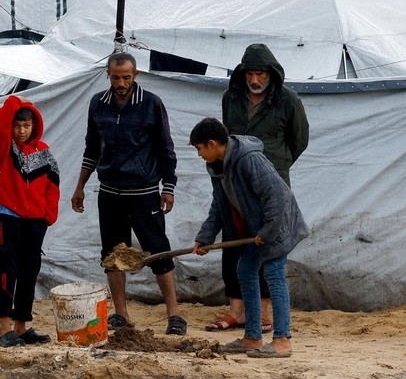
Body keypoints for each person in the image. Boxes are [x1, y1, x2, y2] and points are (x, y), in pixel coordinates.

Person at [71, 51, 186, 336]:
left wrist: (168, 188)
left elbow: (166, 149)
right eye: (115, 77)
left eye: (126, 77)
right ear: (107, 75)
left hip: (145, 191)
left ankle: (174, 315)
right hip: (109, 191)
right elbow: (92, 149)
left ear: (136, 75)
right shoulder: (98, 104)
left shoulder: (151, 104)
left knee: (159, 250)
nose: (121, 83)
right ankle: (120, 314)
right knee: (112, 254)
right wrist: (80, 186)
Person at [205, 43, 309, 333]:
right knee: (233, 243)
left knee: (265, 244)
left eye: (261, 73)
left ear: (271, 73)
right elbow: (227, 140)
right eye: (250, 73)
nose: (255, 79)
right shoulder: (231, 98)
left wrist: (275, 165)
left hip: (270, 183)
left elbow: (299, 140)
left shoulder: (288, 100)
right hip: (236, 184)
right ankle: (236, 311)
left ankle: (261, 313)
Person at [190, 117, 308, 358]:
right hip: (256, 229)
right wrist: (206, 237)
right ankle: (253, 337)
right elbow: (219, 206)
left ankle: (283, 340)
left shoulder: (249, 158)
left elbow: (276, 196)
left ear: (212, 144)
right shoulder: (217, 166)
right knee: (245, 269)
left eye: (199, 148)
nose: (199, 154)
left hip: (276, 224)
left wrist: (267, 233)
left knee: (274, 274)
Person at [0, 94, 59, 348]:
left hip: (35, 221)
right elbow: (5, 122)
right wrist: (17, 103)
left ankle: (21, 327)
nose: (22, 131)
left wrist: (47, 217)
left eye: (26, 125)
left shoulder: (44, 152)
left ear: (35, 126)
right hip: (7, 217)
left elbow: (53, 185)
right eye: (17, 125)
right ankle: (3, 328)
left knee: (29, 272)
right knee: (5, 271)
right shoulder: (4, 147)